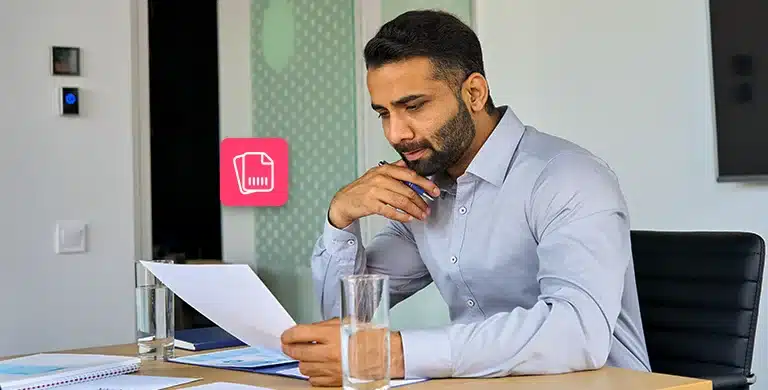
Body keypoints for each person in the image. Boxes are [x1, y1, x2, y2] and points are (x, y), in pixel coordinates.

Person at [280, 9, 651, 387]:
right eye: (384, 114)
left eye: (413, 106)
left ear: (474, 93)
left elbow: (577, 333)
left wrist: (395, 354)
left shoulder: (569, 178)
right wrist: (340, 218)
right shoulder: (424, 193)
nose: (396, 134)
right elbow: (347, 319)